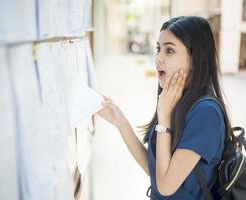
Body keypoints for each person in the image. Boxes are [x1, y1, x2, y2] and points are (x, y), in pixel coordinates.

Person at [96, 16, 233, 200]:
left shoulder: (206, 113)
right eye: (158, 49)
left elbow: (166, 186)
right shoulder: (177, 100)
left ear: (194, 60)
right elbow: (154, 170)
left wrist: (164, 119)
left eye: (169, 50)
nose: (158, 58)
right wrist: (120, 122)